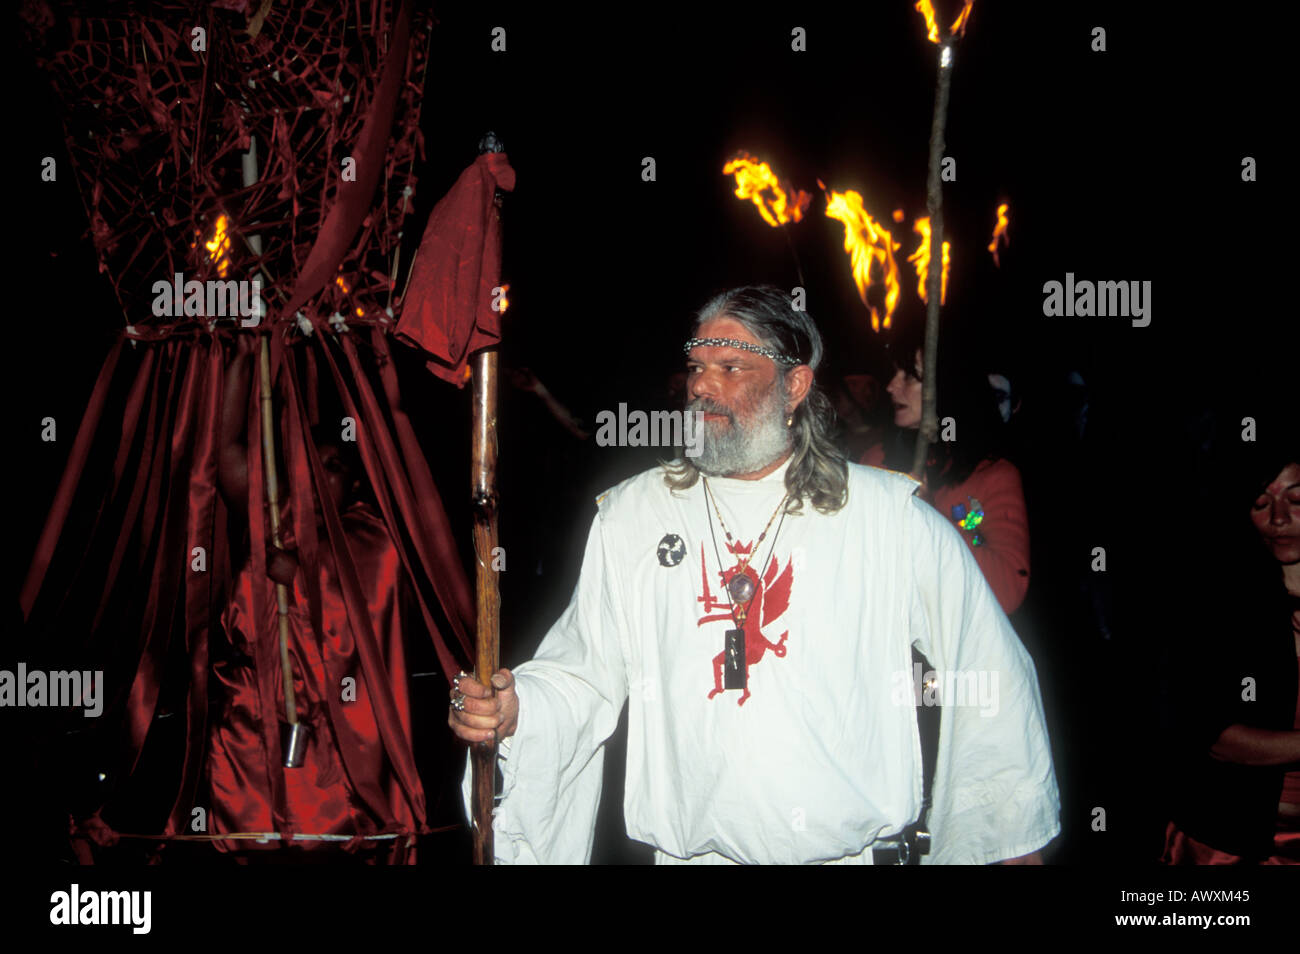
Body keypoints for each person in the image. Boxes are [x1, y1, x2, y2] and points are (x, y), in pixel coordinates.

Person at [449, 285, 1059, 865]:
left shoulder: (886, 519)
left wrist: (1002, 830)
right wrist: (518, 707)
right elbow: (584, 673)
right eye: (695, 367)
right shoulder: (635, 515)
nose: (702, 387)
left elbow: (987, 667)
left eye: (732, 367)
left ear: (794, 385)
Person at [209, 336, 420, 863]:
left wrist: (299, 576)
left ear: (353, 485)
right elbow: (225, 451)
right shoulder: (276, 514)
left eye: (336, 468)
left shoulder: (368, 532)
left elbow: (368, 600)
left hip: (332, 719)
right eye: (316, 463)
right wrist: (242, 355)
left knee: (321, 840)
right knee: (250, 839)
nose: (323, 476)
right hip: (252, 708)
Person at [1161, 439, 1300, 864]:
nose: (1279, 518)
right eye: (1261, 503)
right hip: (1232, 843)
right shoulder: (1220, 603)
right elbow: (1213, 735)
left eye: (1297, 499)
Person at [877, 322, 1031, 616]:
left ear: (948, 384)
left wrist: (930, 520)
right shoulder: (875, 461)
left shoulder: (993, 475)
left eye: (909, 376)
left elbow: (1007, 590)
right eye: (894, 373)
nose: (891, 386)